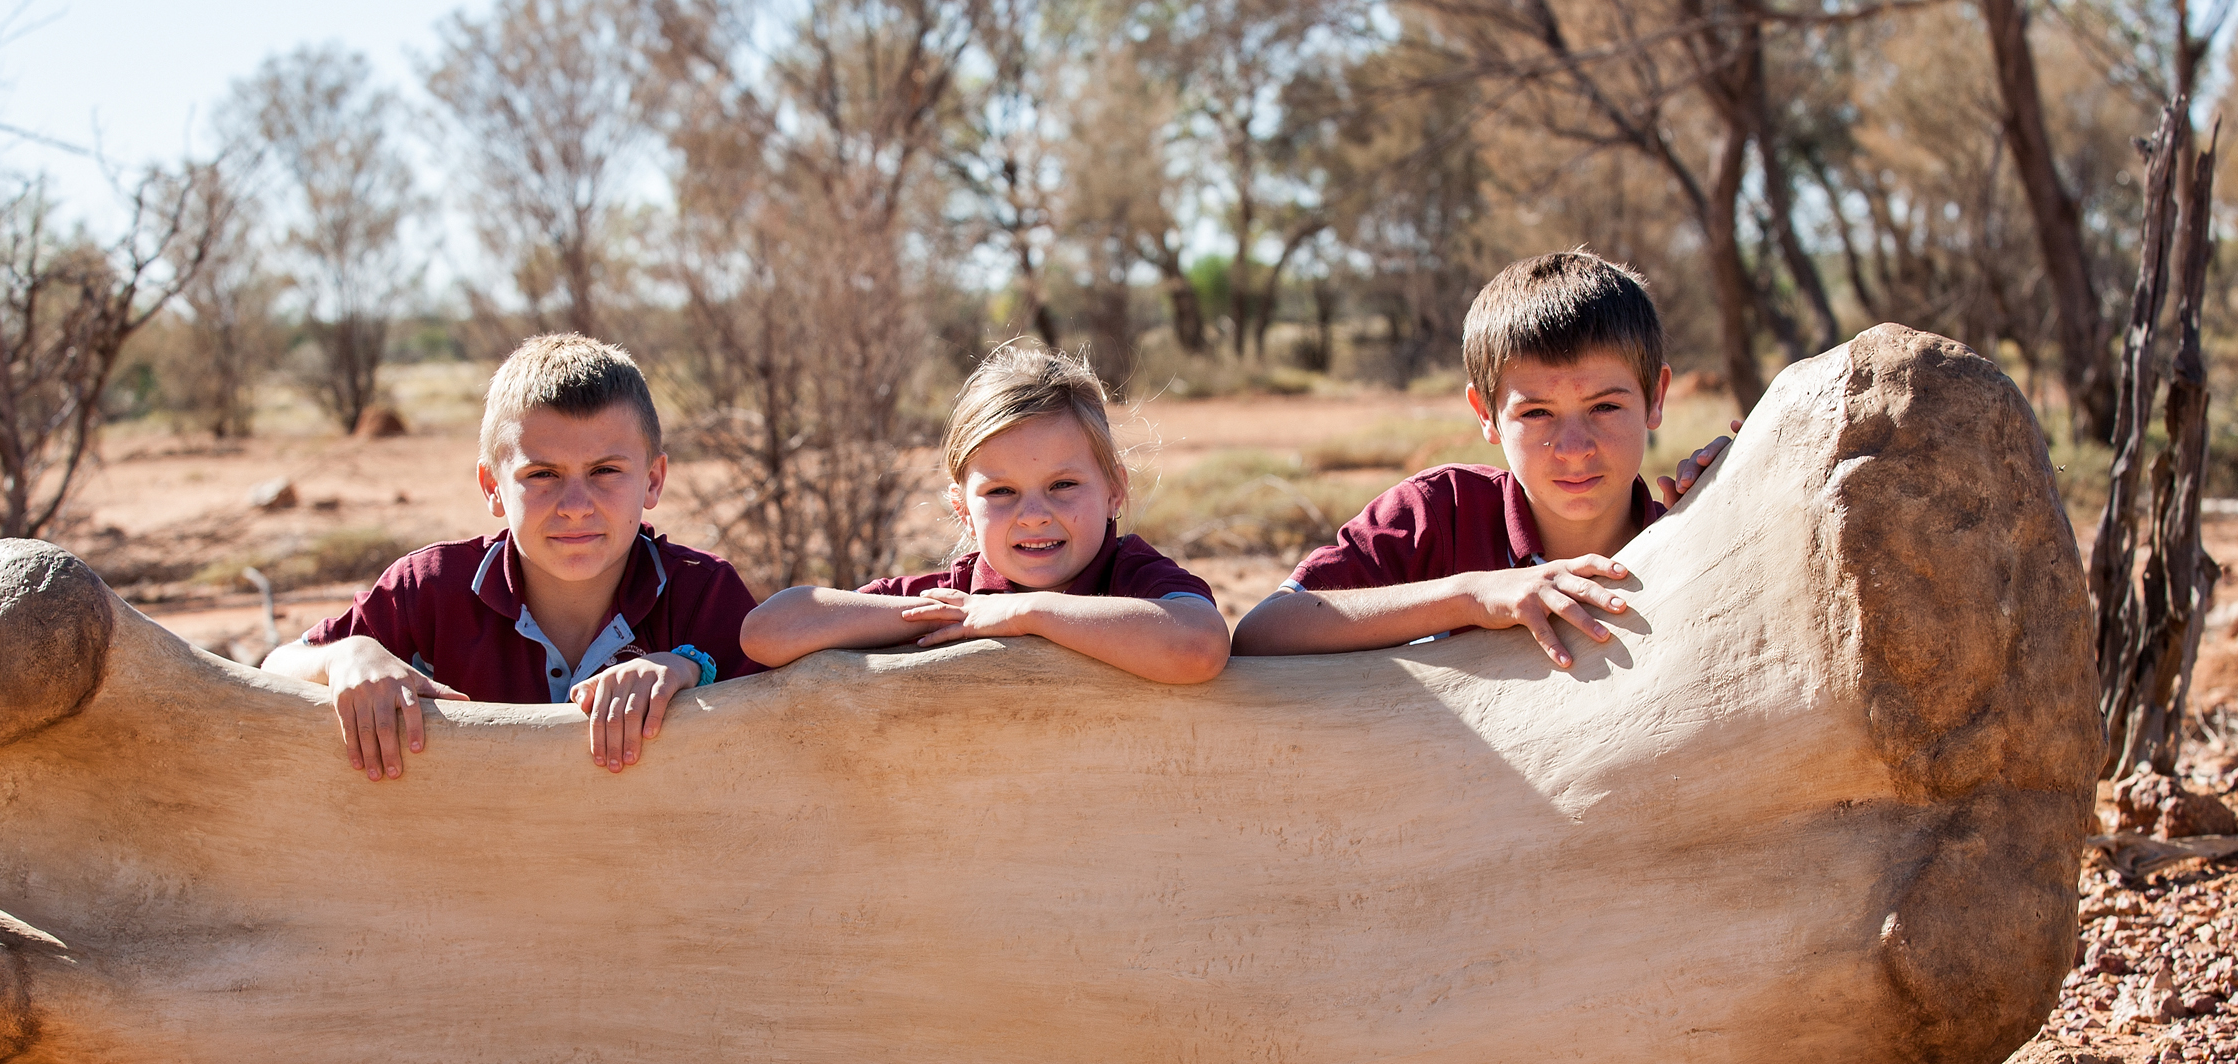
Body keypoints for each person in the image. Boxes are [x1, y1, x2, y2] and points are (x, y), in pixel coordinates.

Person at [261, 332, 757, 1064]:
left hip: (664, 946)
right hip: (483, 951)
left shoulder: (702, 595)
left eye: (606, 471)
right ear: (492, 486)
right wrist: (348, 657)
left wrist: (688, 667)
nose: (575, 504)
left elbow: (784, 695)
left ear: (654, 480)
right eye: (540, 476)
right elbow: (273, 664)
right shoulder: (429, 592)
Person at [1231, 248, 1731, 663]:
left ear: (1656, 396)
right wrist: (1470, 596)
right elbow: (1264, 630)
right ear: (1485, 413)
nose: (1575, 448)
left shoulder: (1688, 531)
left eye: (1605, 406)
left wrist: (1743, 492)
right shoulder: (1438, 514)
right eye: (1536, 413)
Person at [741, 345, 1230, 684]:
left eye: (1063, 485)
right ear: (963, 512)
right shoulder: (950, 598)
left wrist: (1024, 613)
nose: (1034, 515)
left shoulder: (1137, 579)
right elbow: (767, 632)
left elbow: (1199, 647)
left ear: (1113, 491)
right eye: (1001, 491)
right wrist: (958, 616)